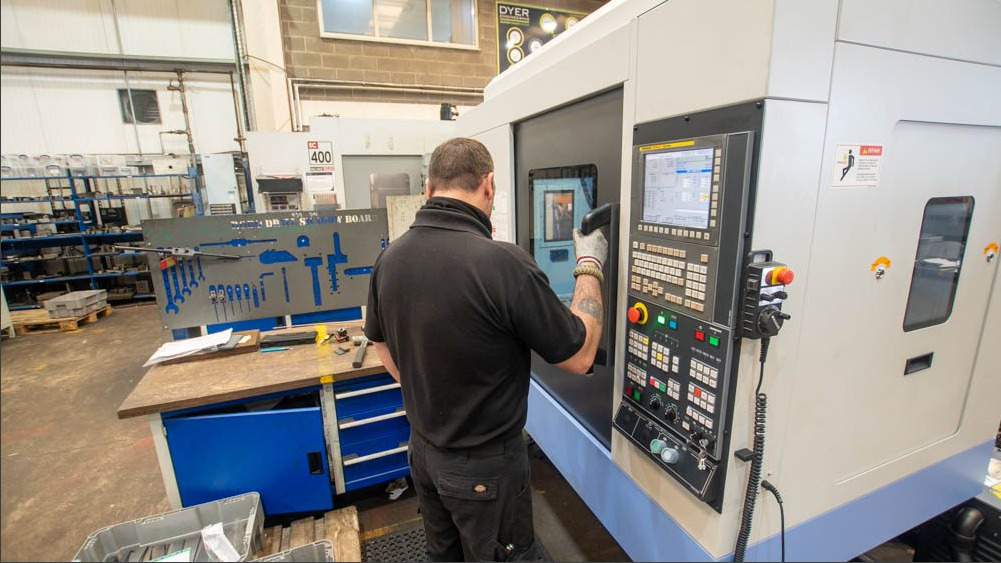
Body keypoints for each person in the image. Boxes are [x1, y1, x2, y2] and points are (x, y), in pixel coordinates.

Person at [364, 138, 607, 562]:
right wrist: (590, 264)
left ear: (428, 189)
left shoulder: (390, 260)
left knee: (445, 553)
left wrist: (431, 386)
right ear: (489, 185)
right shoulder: (504, 265)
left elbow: (381, 343)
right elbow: (580, 355)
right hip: (484, 470)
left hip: (424, 455)